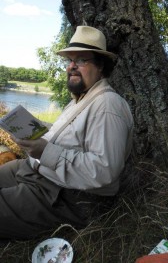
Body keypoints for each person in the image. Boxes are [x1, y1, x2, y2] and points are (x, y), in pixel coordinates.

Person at [0, 26, 133, 239]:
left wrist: (45, 152)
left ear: (100, 66)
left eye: (81, 60)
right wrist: (35, 126)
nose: (72, 66)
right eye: (69, 60)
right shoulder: (81, 99)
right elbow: (70, 134)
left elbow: (105, 171)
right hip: (36, 172)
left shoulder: (108, 105)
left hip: (65, 197)